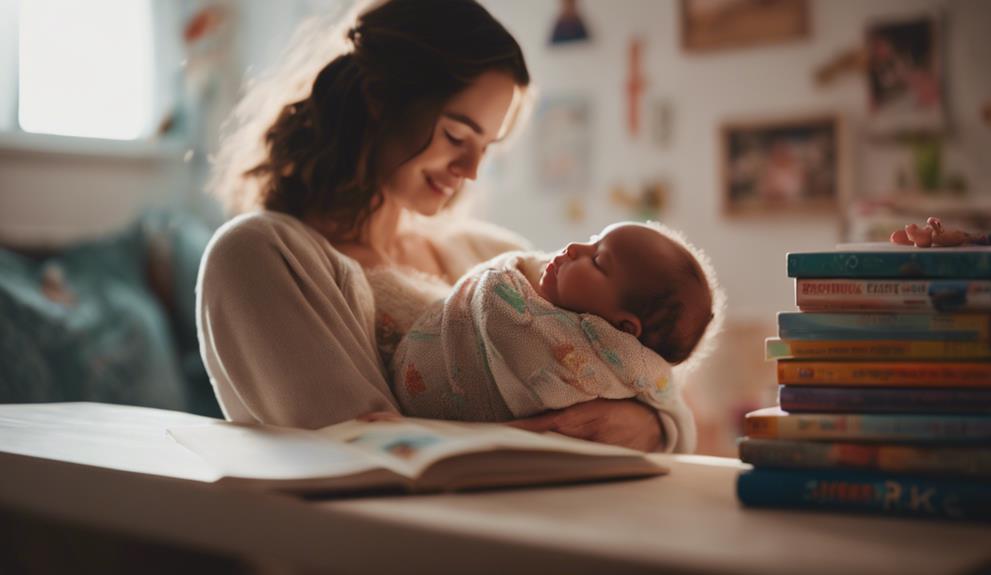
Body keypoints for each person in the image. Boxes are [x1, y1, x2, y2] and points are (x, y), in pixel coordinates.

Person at [197, 0, 676, 452]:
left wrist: (651, 425)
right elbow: (366, 451)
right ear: (377, 99)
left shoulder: (493, 253)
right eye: (455, 136)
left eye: (485, 147)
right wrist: (557, 432)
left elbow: (656, 386)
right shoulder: (261, 256)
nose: (469, 169)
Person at [389, 222, 723, 454]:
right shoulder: (525, 276)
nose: (574, 248)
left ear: (623, 330)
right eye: (592, 239)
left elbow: (675, 421)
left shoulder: (625, 367)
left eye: (597, 260)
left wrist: (650, 426)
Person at [890, 216, 991, 247]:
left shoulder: (934, 236)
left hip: (967, 237)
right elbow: (934, 226)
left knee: (977, 237)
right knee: (978, 238)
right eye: (921, 229)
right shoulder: (935, 237)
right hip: (968, 238)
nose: (925, 227)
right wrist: (931, 221)